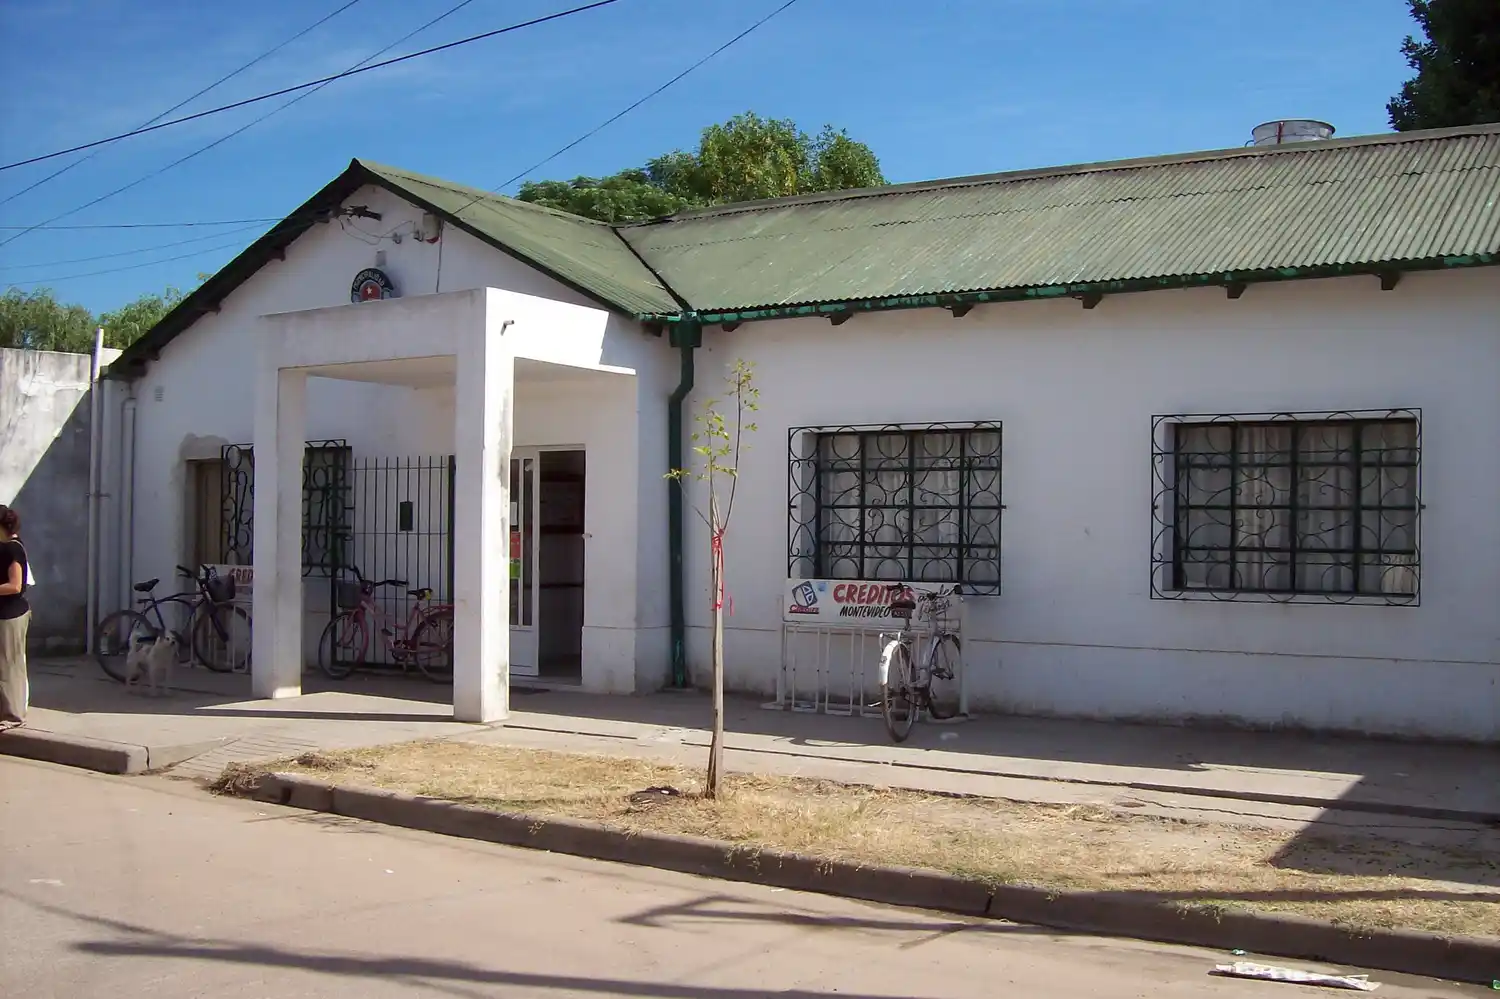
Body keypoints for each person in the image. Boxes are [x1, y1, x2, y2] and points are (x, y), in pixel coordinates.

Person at [0, 504, 31, 729]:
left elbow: (14, 585)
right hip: (5, 613)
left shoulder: (13, 548)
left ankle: (13, 716)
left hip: (10, 615)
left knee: (9, 665)